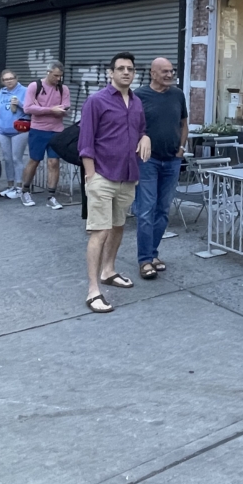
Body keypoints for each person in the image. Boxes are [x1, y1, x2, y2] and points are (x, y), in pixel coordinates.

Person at [78, 52, 151, 313]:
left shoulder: (137, 102)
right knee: (100, 232)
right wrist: (91, 176)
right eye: (120, 68)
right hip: (102, 176)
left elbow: (141, 129)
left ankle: (109, 271)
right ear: (111, 73)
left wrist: (145, 138)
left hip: (128, 176)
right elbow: (85, 142)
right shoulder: (96, 101)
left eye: (130, 69)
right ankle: (93, 290)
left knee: (118, 226)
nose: (126, 72)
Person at [133, 57, 188, 280]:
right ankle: (145, 260)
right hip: (147, 161)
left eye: (171, 71)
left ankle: (153, 254)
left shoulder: (178, 94)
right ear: (152, 74)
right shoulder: (139, 96)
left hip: (172, 160)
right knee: (146, 211)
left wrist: (182, 148)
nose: (169, 74)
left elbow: (184, 122)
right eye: (164, 71)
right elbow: (131, 126)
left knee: (163, 211)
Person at [21, 60, 71, 208]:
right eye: (55, 75)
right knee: (34, 160)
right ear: (48, 72)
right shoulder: (35, 86)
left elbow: (66, 108)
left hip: (57, 130)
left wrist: (56, 110)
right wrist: (51, 110)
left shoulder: (64, 89)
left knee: (54, 162)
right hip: (38, 129)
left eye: (60, 76)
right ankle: (25, 190)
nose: (58, 79)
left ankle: (51, 195)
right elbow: (28, 108)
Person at [0, 69, 30, 199]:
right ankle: (10, 185)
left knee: (16, 158)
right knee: (7, 159)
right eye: (6, 79)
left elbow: (31, 111)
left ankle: (19, 187)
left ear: (16, 78)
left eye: (11, 78)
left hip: (20, 130)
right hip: (3, 131)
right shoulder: (1, 93)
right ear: (2, 81)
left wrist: (20, 104)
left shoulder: (25, 91)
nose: (9, 81)